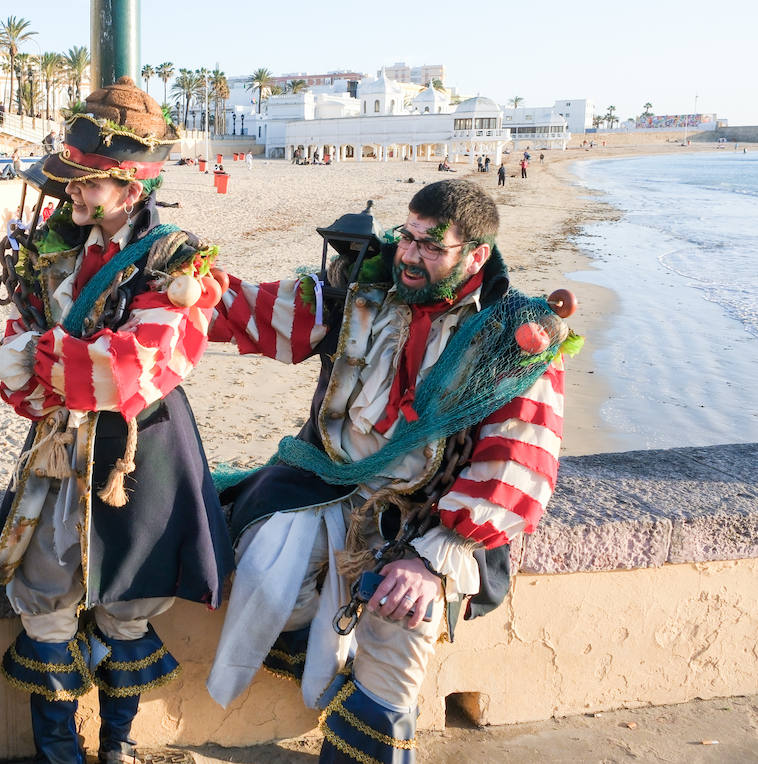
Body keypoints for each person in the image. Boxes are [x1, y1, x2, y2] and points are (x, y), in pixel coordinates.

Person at [205, 179, 574, 762]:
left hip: (429, 521)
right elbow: (261, 312)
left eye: (432, 246)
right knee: (263, 571)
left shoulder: (513, 337)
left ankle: (370, 722)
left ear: (476, 255)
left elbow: (520, 463)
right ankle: (333, 664)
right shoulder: (363, 291)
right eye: (408, 237)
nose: (409, 254)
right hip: (329, 487)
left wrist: (432, 560)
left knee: (397, 630)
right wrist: (184, 280)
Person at [0, 77, 233, 764]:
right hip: (59, 446)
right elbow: (18, 353)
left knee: (131, 600)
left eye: (86, 185)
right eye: (70, 185)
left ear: (130, 187)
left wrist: (41, 359)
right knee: (45, 593)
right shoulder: (55, 247)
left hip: (140, 448)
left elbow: (133, 367)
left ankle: (118, 745)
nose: (71, 196)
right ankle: (60, 751)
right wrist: (43, 363)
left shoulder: (177, 259)